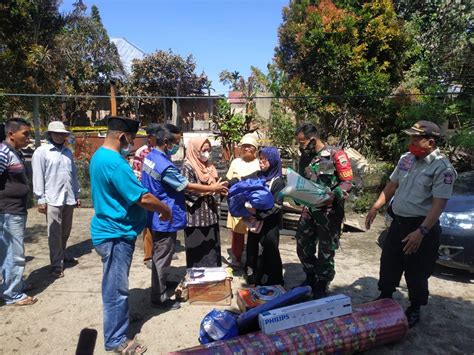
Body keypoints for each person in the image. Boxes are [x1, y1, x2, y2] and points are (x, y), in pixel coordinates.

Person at [90, 116, 171, 354]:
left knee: (115, 285)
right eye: (131, 139)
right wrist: (164, 209)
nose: (132, 144)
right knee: (116, 289)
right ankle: (116, 340)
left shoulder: (100, 157)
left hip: (112, 229)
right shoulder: (114, 162)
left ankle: (120, 323)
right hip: (115, 234)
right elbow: (142, 197)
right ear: (122, 137)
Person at [365, 120, 456, 328]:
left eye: (416, 138)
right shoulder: (406, 159)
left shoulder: (443, 168)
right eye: (411, 137)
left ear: (430, 142)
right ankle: (385, 296)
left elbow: (438, 204)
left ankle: (414, 308)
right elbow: (392, 184)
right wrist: (375, 206)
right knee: (389, 261)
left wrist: (421, 232)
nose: (411, 141)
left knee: (417, 270)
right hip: (398, 223)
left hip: (422, 227)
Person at [141, 124, 228, 310]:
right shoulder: (165, 166)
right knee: (163, 255)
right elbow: (186, 186)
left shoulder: (150, 158)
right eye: (175, 142)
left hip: (156, 213)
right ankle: (159, 297)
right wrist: (212, 189)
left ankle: (161, 285)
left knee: (161, 253)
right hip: (164, 215)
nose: (177, 145)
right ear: (166, 142)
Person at [294, 123, 353, 298]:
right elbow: (301, 180)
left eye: (302, 142)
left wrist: (333, 195)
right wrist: (295, 193)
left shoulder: (336, 155)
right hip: (309, 209)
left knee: (326, 249)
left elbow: (348, 182)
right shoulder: (305, 157)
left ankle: (322, 282)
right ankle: (310, 276)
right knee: (303, 244)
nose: (300, 146)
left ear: (313, 139)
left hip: (329, 212)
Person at [32, 121, 80, 278]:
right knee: (54, 232)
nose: (60, 136)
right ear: (50, 134)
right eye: (57, 133)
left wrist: (76, 193)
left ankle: (62, 253)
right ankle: (56, 264)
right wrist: (41, 198)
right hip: (52, 197)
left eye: (63, 134)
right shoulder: (42, 151)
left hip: (68, 197)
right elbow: (38, 175)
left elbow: (73, 174)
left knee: (66, 229)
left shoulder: (67, 152)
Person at [0, 118, 37, 306]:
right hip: (8, 211)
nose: (28, 138)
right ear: (11, 134)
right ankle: (12, 294)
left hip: (15, 210)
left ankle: (14, 284)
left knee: (9, 252)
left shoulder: (16, 152)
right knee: (14, 253)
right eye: (25, 134)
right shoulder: (3, 152)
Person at [237, 146, 286, 286]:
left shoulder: (278, 181)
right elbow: (243, 181)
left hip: (270, 222)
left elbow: (277, 205)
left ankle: (274, 279)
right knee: (252, 246)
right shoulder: (257, 176)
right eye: (260, 159)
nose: (261, 162)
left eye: (265, 160)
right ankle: (254, 277)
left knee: (270, 248)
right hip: (254, 221)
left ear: (273, 161)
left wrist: (258, 215)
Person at [182, 137, 223, 268]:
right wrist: (211, 189)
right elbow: (188, 191)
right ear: (195, 150)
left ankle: (213, 283)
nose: (206, 153)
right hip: (196, 218)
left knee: (212, 251)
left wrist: (220, 190)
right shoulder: (187, 167)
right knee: (198, 253)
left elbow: (215, 186)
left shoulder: (209, 166)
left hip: (211, 215)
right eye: (203, 150)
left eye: (208, 150)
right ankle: (199, 285)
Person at [225, 133, 260, 267]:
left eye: (250, 146)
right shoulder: (235, 162)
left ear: (255, 149)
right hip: (237, 203)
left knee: (253, 233)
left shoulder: (259, 163)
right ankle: (236, 259)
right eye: (244, 146)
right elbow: (229, 180)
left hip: (253, 204)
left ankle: (252, 262)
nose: (246, 149)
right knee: (237, 234)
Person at [132, 123, 160, 269]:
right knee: (148, 224)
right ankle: (148, 256)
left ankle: (159, 251)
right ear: (150, 138)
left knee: (160, 222)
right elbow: (136, 174)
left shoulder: (163, 150)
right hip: (147, 192)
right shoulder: (142, 152)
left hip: (160, 193)